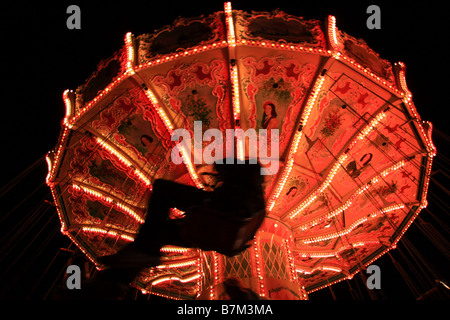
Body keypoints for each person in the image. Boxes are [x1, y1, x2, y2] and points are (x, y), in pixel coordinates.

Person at [91, 158, 266, 297]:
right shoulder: (257, 204)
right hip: (214, 236)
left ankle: (129, 266)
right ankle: (117, 279)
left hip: (211, 216)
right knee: (158, 234)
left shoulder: (239, 194)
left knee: (162, 189)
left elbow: (223, 196)